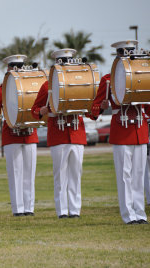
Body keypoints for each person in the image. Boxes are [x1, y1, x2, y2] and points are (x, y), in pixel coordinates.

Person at [91, 40, 148, 224]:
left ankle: (140, 213)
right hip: (121, 130)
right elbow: (93, 110)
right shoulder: (107, 80)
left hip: (139, 129)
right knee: (125, 176)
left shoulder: (143, 77)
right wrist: (102, 106)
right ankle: (128, 215)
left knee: (139, 174)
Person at [31, 49, 86, 219]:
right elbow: (34, 110)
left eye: (67, 63)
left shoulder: (79, 82)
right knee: (60, 175)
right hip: (58, 134)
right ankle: (62, 210)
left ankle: (75, 210)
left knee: (76, 174)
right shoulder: (47, 85)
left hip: (76, 132)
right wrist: (42, 110)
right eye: (62, 63)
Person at [0, 55, 38, 216]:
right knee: (15, 173)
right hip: (11, 134)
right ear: (8, 69)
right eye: (13, 67)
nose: (17, 70)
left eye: (19, 67)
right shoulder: (1, 89)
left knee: (29, 172)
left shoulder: (31, 86)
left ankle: (29, 208)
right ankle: (18, 209)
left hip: (29, 134)